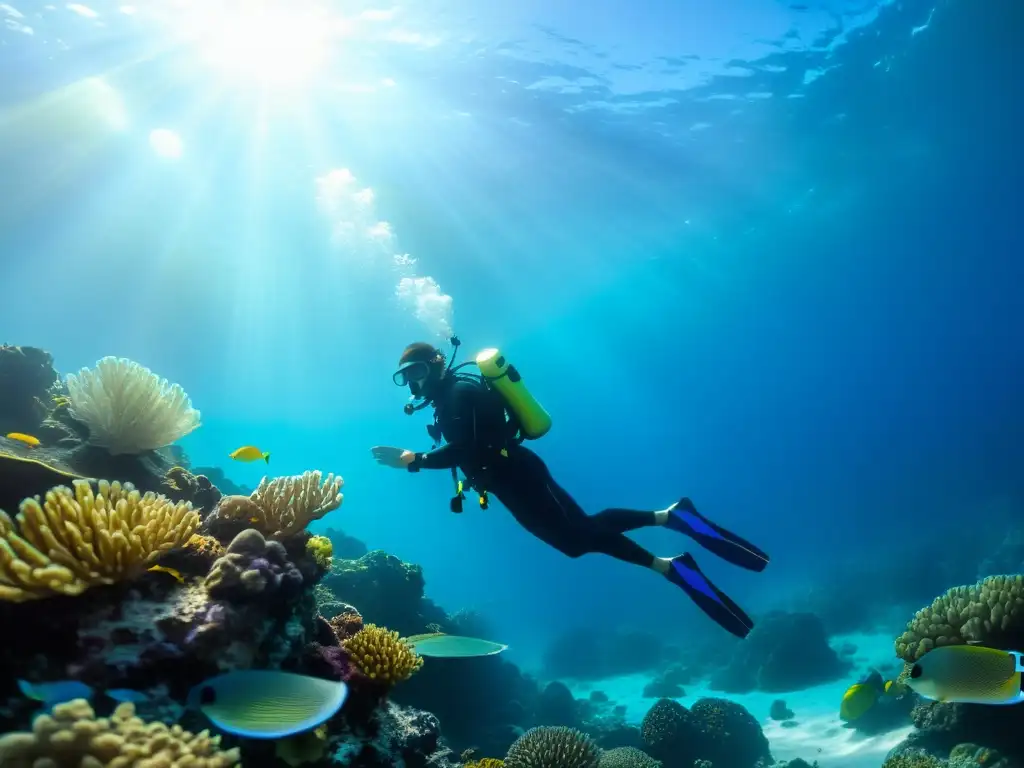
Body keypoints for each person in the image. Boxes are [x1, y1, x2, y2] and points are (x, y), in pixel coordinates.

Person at [371, 340, 770, 639]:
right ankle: (671, 541)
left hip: (518, 477)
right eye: (406, 377)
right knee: (580, 534)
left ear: (437, 365)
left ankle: (671, 543)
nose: (413, 383)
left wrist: (415, 459)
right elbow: (469, 447)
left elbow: (467, 448)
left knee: (578, 538)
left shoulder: (459, 394)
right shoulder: (450, 397)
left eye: (418, 372)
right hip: (512, 477)